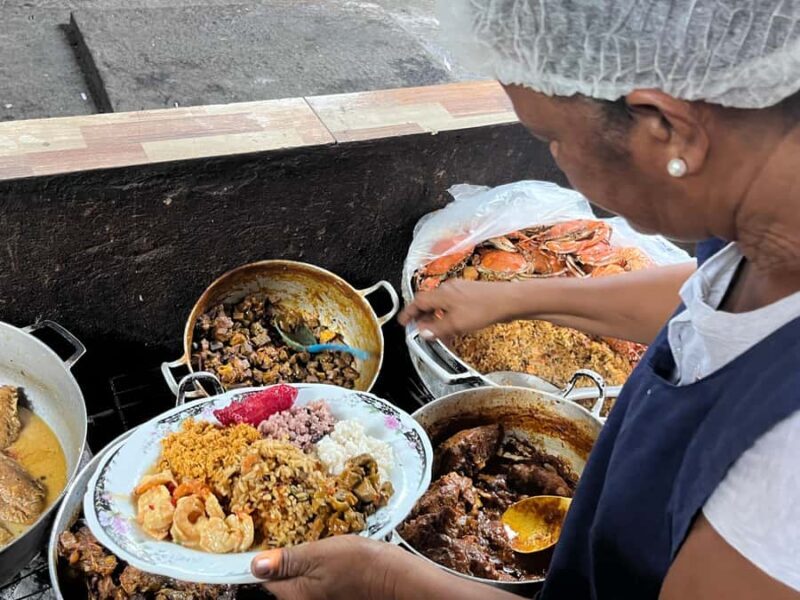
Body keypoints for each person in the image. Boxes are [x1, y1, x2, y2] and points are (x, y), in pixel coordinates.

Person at [249, 0, 800, 598]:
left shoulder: (785, 461)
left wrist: (385, 581)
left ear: (665, 126)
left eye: (552, 138)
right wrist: (516, 298)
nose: (559, 166)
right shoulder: (764, 223)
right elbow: (702, 301)